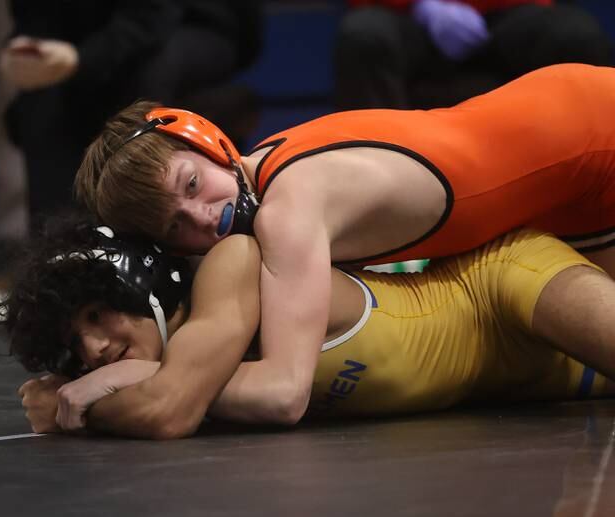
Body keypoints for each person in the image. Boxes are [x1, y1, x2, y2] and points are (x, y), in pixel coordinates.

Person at [76, 63, 615, 426]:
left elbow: (285, 393)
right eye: (175, 227)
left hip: (596, 133)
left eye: (192, 185)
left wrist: (158, 379)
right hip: (571, 183)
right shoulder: (267, 170)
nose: (204, 218)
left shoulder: (289, 210)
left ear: (206, 137)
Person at [0, 213, 615, 438]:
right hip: (536, 387)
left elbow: (170, 410)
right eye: (74, 345)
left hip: (500, 284)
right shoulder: (173, 364)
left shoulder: (231, 263)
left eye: (99, 314)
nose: (94, 348)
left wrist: (103, 394)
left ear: (143, 281)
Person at [0, 0, 261, 224]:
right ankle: (57, 250)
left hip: (191, 23)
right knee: (39, 102)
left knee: (150, 75)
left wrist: (82, 60)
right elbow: (33, 17)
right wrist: (23, 53)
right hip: (91, 45)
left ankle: (142, 236)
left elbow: (153, 16)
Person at [333, 0, 613, 110]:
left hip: (507, 16)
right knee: (363, 37)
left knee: (577, 37)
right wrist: (424, 6)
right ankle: (379, 177)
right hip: (409, 19)